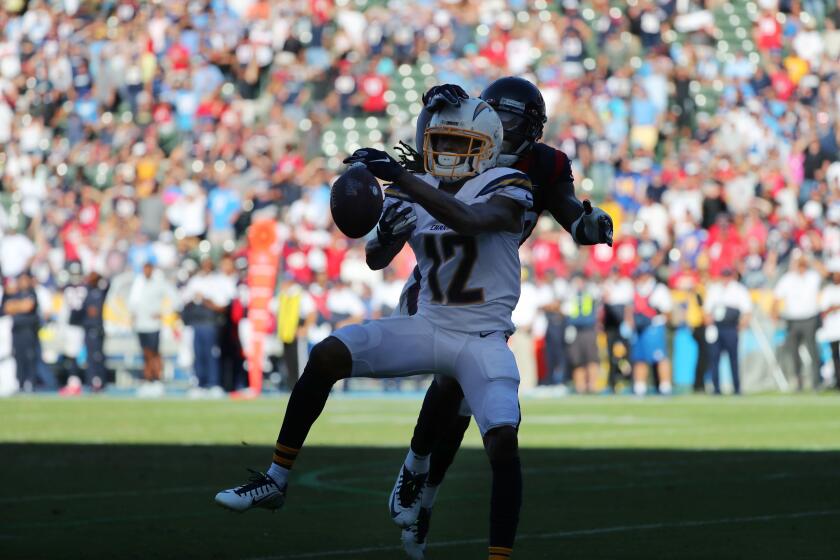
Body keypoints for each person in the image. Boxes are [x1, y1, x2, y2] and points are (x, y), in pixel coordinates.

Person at [215, 97, 536, 560]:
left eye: (459, 142)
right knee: (327, 353)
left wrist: (402, 178)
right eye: (440, 140)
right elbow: (375, 258)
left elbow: (468, 219)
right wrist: (386, 234)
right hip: (428, 325)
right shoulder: (417, 186)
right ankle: (276, 477)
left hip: (482, 339)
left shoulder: (508, 185)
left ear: (486, 148)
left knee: (503, 442)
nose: (447, 150)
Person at [390, 79, 613, 558]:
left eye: (514, 120)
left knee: (463, 403)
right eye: (498, 115)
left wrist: (587, 224)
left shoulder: (544, 165)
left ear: (532, 129)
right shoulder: (466, 138)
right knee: (452, 380)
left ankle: (424, 495)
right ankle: (414, 468)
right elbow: (425, 158)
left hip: (488, 285)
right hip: (439, 276)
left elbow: (568, 210)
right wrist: (429, 110)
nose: (504, 129)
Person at [183, 258, 235, 397]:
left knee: (212, 354)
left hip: (211, 324)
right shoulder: (195, 281)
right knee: (198, 354)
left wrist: (205, 299)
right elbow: (184, 300)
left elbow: (221, 305)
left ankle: (214, 383)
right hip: (197, 323)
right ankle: (200, 383)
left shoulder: (218, 281)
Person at [773, 251, 823, 390]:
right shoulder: (787, 279)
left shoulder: (813, 276)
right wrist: (774, 313)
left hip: (810, 318)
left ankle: (816, 383)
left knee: (813, 352)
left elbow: (825, 273)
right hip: (793, 320)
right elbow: (776, 298)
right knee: (794, 353)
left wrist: (811, 259)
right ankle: (798, 382)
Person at [703, 268, 752, 395]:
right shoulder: (714, 289)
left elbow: (747, 311)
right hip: (716, 327)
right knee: (714, 359)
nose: (725, 279)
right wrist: (709, 324)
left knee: (733, 359)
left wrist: (741, 326)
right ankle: (716, 388)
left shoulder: (739, 290)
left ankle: (736, 387)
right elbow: (707, 311)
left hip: (731, 327)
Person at [626, 265, 673, 396]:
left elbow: (667, 311)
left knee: (660, 357)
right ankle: (640, 386)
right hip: (639, 328)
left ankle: (665, 386)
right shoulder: (636, 288)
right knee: (639, 358)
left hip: (654, 327)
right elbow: (630, 309)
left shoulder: (658, 289)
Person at [128, 261, 169, 397]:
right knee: (146, 353)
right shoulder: (138, 283)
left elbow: (172, 298)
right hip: (141, 324)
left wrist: (162, 312)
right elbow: (133, 303)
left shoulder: (158, 283)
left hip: (153, 325)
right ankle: (148, 380)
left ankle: (157, 379)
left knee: (154, 353)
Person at [1, 274, 41, 392]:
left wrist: (16, 306)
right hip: (16, 331)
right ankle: (20, 383)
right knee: (19, 358)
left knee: (30, 357)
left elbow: (27, 306)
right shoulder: (14, 294)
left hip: (28, 331)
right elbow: (7, 308)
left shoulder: (31, 293)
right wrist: (19, 305)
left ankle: (31, 383)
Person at [563, 272, 601, 394]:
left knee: (592, 359)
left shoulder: (591, 294)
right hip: (575, 331)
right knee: (577, 361)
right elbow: (566, 312)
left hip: (588, 330)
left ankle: (592, 386)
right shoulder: (570, 295)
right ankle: (580, 387)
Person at [819, 260, 840, 391]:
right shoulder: (828, 290)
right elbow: (823, 310)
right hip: (833, 329)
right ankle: (838, 381)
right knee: (835, 356)